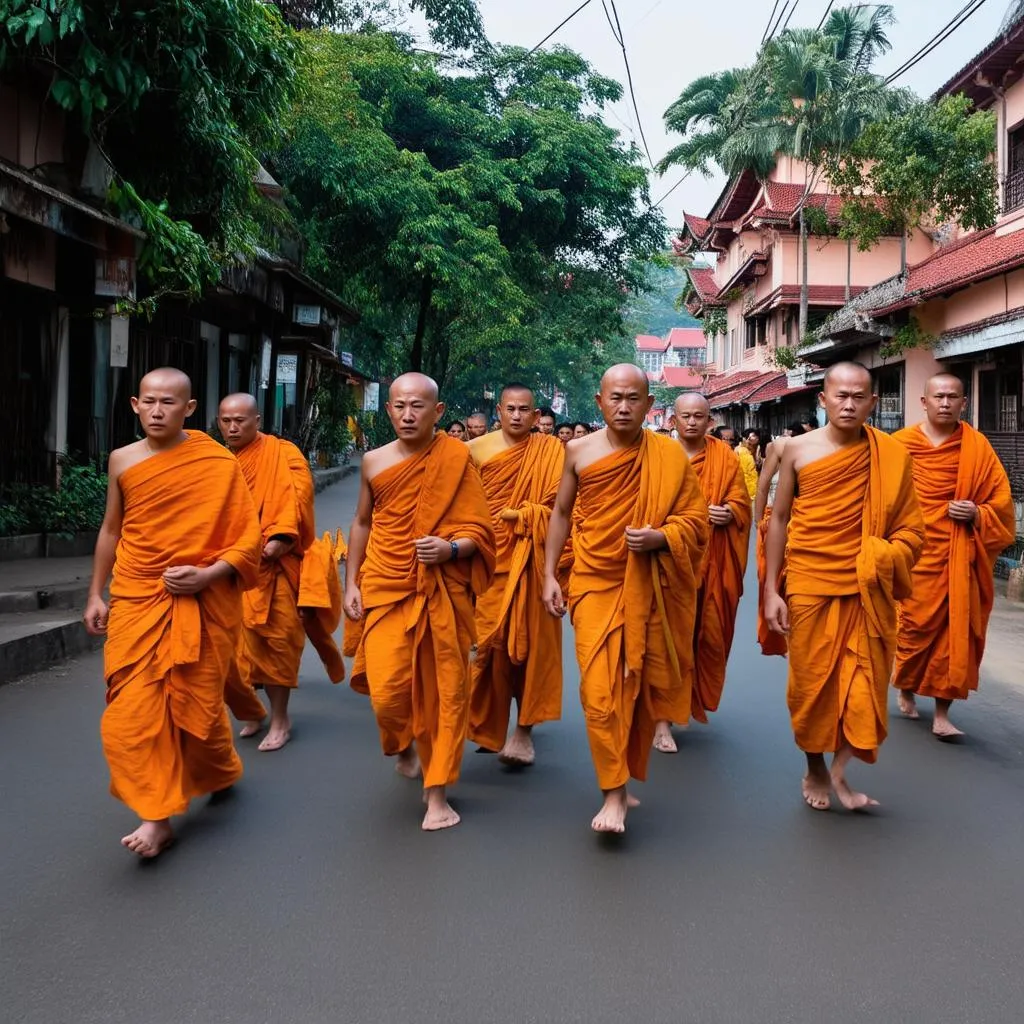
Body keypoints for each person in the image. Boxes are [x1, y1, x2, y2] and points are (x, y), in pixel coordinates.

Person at [83, 368, 261, 858]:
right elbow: (112, 531)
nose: (158, 410)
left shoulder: (215, 462)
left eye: (169, 402)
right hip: (138, 598)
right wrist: (97, 593)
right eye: (149, 401)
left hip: (201, 602)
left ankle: (219, 769)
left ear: (190, 408)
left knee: (196, 714)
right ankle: (156, 816)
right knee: (129, 717)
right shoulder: (123, 459)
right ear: (135, 406)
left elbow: (248, 537)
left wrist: (208, 576)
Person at [542, 364, 708, 833]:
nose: (623, 406)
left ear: (650, 405)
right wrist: (549, 575)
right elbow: (560, 513)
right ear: (599, 402)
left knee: (633, 691)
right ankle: (612, 791)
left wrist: (662, 536)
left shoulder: (669, 457)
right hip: (595, 583)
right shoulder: (577, 451)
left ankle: (616, 788)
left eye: (634, 398)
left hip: (649, 587)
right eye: (615, 397)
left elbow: (695, 522)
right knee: (598, 695)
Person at [763, 361, 924, 812]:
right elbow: (778, 520)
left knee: (864, 683)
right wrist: (772, 590)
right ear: (823, 400)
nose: (849, 404)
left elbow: (912, 529)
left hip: (865, 585)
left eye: (859, 397)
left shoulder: (891, 455)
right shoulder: (795, 450)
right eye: (840, 396)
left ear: (874, 403)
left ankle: (840, 765)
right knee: (811, 684)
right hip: (810, 581)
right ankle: (815, 766)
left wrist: (885, 556)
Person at [343, 373, 496, 831]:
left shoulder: (456, 457)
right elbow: (362, 523)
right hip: (387, 585)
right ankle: (404, 747)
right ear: (388, 410)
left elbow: (480, 531)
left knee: (443, 692)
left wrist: (450, 549)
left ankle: (437, 794)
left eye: (418, 406)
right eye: (400, 406)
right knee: (388, 695)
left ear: (439, 411)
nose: (408, 415)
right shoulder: (373, 462)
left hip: (441, 590)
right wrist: (351, 582)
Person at [218, 394, 345, 752]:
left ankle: (280, 719)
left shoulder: (282, 454)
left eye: (240, 420)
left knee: (276, 643)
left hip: (275, 565)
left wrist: (279, 537)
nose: (232, 427)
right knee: (233, 650)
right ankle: (251, 711)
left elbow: (298, 498)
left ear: (257, 419)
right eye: (225, 420)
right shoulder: (217, 460)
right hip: (229, 568)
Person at [892, 373, 1015, 738]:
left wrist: (978, 514)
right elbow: (880, 498)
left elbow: (1002, 506)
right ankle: (906, 688)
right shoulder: (900, 445)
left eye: (953, 397)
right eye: (939, 396)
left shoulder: (978, 449)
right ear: (924, 402)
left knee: (955, 630)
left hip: (958, 555)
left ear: (965, 403)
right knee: (912, 629)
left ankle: (942, 712)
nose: (945, 403)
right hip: (913, 555)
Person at [467, 384, 565, 766]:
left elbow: (562, 510)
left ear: (537, 413)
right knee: (488, 649)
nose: (518, 416)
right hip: (488, 561)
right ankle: (490, 724)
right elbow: (463, 506)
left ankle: (524, 731)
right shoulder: (474, 450)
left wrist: (527, 517)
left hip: (533, 560)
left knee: (528, 649)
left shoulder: (552, 451)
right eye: (511, 408)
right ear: (499, 410)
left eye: (526, 409)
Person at [653, 393, 751, 752]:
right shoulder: (658, 455)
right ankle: (661, 719)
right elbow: (645, 504)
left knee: (704, 636)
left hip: (712, 562)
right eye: (685, 416)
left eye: (699, 416)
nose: (692, 422)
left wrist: (731, 513)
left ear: (710, 421)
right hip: (669, 562)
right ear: (672, 420)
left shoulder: (724, 457)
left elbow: (740, 501)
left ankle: (684, 701)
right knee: (666, 638)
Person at [752, 422, 807, 658]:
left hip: (801, 523)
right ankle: (777, 635)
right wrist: (757, 522)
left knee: (797, 578)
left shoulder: (814, 451)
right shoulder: (777, 448)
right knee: (771, 578)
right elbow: (763, 487)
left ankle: (797, 630)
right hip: (772, 520)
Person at [713, 425, 757, 500]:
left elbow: (748, 475)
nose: (729, 442)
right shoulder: (710, 456)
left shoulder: (740, 453)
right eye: (725, 439)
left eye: (732, 440)